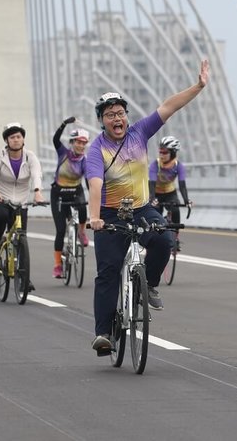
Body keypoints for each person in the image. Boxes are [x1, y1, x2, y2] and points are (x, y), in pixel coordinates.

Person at [87, 59, 210, 354]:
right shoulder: (97, 148)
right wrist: (94, 218)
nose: (116, 118)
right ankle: (104, 333)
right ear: (102, 121)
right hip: (108, 214)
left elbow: (169, 106)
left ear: (127, 117)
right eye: (109, 115)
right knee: (108, 271)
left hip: (141, 208)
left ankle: (149, 284)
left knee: (164, 239)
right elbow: (95, 184)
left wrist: (199, 86)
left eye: (120, 113)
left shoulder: (140, 133)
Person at [0, 122, 45, 289]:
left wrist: (38, 191)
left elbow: (36, 174)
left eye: (18, 136)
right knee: (0, 217)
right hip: (1, 198)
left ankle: (24, 278)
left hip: (21, 201)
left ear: (23, 139)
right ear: (7, 140)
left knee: (21, 238)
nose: (16, 140)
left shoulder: (30, 156)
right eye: (12, 137)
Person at [50, 117, 90, 278]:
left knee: (82, 209)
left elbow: (88, 181)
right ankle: (58, 265)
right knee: (60, 230)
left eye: (83, 143)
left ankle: (81, 232)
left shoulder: (85, 161)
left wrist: (95, 197)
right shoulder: (63, 153)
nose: (81, 146)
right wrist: (64, 124)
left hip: (75, 191)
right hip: (58, 194)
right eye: (78, 142)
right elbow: (55, 139)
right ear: (72, 143)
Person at [149, 135, 192, 251]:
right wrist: (152, 198)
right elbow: (151, 183)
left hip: (169, 193)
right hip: (156, 192)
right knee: (154, 217)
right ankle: (153, 240)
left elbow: (182, 185)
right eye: (160, 152)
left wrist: (186, 201)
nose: (161, 155)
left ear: (173, 153)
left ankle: (175, 237)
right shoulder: (155, 164)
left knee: (175, 210)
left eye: (165, 152)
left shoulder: (179, 166)